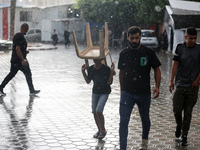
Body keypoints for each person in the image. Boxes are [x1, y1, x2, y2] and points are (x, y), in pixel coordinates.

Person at [118, 26, 161, 150]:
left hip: (144, 93)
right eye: (132, 38)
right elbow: (121, 72)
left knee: (145, 120)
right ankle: (122, 147)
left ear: (140, 37)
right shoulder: (124, 54)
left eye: (137, 38)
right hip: (127, 93)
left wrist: (157, 86)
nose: (134, 40)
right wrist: (122, 90)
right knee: (123, 121)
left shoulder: (148, 52)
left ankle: (144, 143)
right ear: (128, 38)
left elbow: (157, 69)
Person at [169, 27, 200, 146]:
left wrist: (197, 80)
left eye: (195, 38)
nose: (192, 40)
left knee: (188, 112)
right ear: (186, 37)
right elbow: (175, 64)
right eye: (190, 38)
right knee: (177, 109)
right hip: (180, 84)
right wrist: (171, 81)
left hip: (193, 85)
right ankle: (179, 125)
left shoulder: (199, 49)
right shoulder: (180, 48)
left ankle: (185, 135)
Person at [0, 23, 40, 97]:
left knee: (14, 74)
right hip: (19, 61)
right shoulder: (19, 37)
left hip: (16, 60)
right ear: (24, 28)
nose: (27, 31)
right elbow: (17, 49)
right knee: (25, 73)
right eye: (27, 29)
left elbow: (19, 48)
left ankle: (1, 87)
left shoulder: (18, 36)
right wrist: (23, 60)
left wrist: (25, 51)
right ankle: (31, 90)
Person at [81, 59, 115, 139]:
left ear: (101, 59)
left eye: (97, 58)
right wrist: (83, 71)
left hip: (104, 92)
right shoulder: (91, 68)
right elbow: (88, 81)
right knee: (94, 111)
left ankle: (103, 130)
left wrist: (111, 72)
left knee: (99, 110)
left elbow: (110, 82)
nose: (95, 60)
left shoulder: (106, 69)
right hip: (95, 92)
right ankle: (99, 130)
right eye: (94, 58)